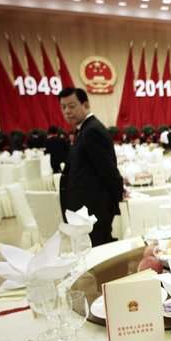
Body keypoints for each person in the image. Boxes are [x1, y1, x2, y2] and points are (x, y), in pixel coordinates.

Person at [58, 87, 124, 246]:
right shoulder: (84, 130)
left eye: (72, 106)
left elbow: (108, 170)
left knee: (99, 256)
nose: (67, 111)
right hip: (87, 211)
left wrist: (119, 194)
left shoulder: (92, 131)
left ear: (86, 105)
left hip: (94, 210)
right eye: (63, 107)